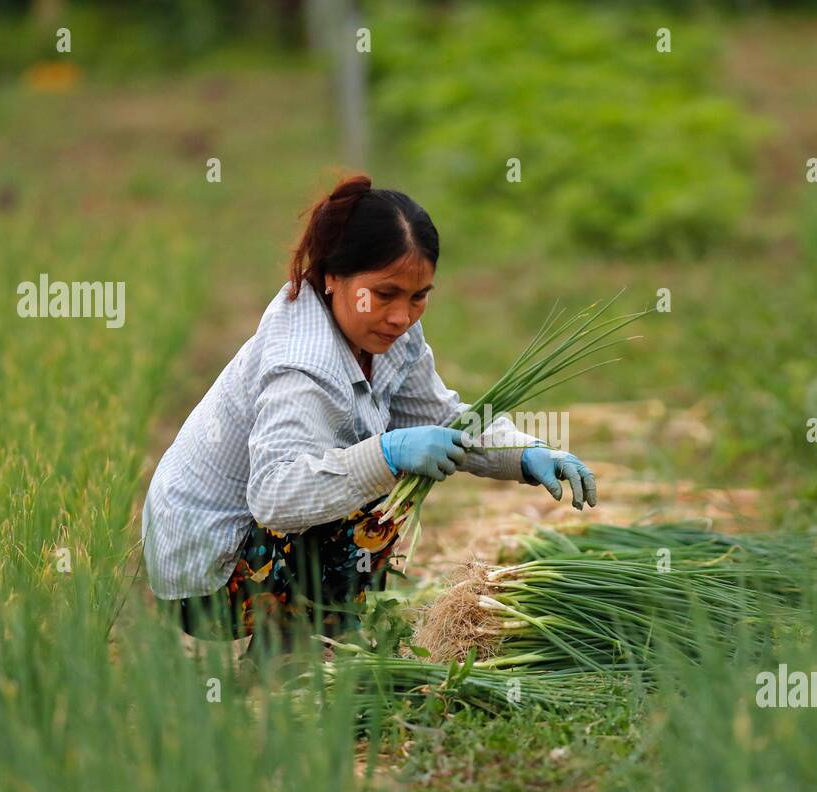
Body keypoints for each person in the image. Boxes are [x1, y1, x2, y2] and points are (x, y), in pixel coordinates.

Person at [141, 173, 599, 654]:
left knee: (375, 484)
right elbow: (275, 496)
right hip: (206, 579)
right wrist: (388, 453)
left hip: (251, 549)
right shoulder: (302, 365)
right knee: (374, 503)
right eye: (384, 295)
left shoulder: (388, 336)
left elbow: (443, 419)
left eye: (418, 297)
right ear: (333, 277)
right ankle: (300, 658)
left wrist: (526, 454)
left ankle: (296, 655)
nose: (402, 316)